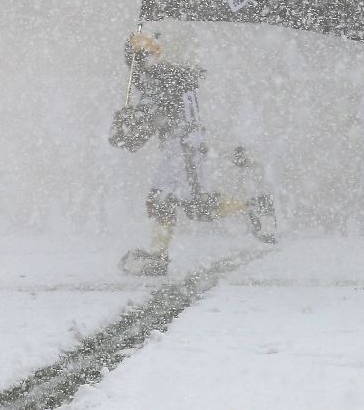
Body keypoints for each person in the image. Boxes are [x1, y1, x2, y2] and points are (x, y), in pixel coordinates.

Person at [110, 30, 275, 276]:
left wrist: (128, 122)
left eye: (135, 60)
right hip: (180, 147)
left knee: (190, 204)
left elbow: (146, 123)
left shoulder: (159, 81)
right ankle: (158, 255)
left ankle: (252, 210)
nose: (134, 68)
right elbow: (151, 122)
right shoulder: (170, 77)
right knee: (171, 201)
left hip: (182, 148)